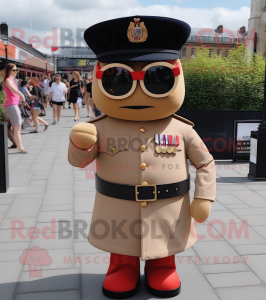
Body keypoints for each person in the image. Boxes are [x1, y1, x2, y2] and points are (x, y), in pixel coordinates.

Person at [68, 16, 216, 298]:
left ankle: (163, 265)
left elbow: (205, 162)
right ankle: (121, 266)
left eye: (157, 77)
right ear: (99, 79)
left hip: (168, 208)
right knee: (121, 245)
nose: (137, 88)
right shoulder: (99, 128)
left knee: (165, 245)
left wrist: (204, 196)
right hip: (117, 207)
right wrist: (80, 144)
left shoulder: (181, 129)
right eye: (117, 78)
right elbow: (79, 162)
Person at [3, 63, 28, 153]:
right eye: (14, 70)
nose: (16, 72)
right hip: (11, 105)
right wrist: (21, 94)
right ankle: (20, 147)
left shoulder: (12, 80)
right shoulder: (8, 80)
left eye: (17, 70)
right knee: (17, 126)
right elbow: (12, 89)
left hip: (13, 105)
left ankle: (19, 146)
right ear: (9, 71)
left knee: (17, 127)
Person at [0, 62, 17, 148]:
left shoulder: (4, 80)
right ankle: (15, 142)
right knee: (7, 125)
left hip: (4, 107)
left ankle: (15, 142)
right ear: (2, 70)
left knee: (7, 125)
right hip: (2, 107)